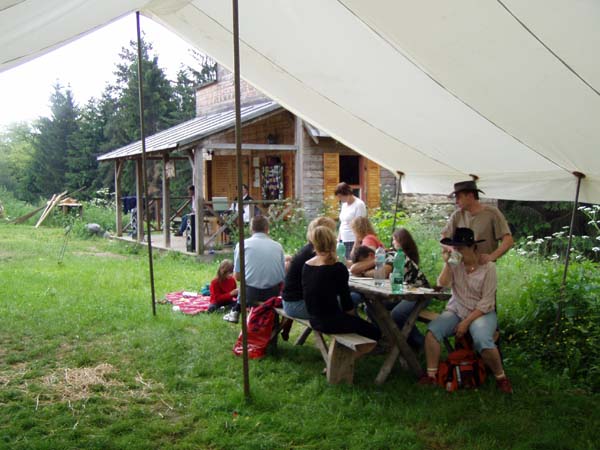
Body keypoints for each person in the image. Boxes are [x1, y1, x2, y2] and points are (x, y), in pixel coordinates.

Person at [420, 227, 513, 394]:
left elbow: (487, 301)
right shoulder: (455, 264)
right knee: (432, 332)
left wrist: (466, 322)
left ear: (472, 247)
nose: (457, 252)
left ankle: (501, 378)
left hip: (481, 312)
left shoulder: (488, 267)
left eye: (460, 248)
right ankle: (431, 375)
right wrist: (447, 264)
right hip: (457, 309)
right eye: (455, 248)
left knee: (483, 339)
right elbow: (443, 284)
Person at [302, 225, 381, 341]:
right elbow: (347, 303)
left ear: (314, 244)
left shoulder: (307, 265)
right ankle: (355, 355)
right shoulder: (337, 268)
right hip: (330, 322)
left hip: (314, 318)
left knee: (357, 324)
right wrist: (355, 321)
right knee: (375, 332)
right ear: (333, 242)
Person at [223, 216, 285, 323]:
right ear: (267, 229)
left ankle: (236, 310)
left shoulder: (242, 245)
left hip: (250, 294)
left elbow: (237, 276)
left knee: (245, 280)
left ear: (251, 229)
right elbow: (282, 275)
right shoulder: (278, 246)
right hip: (273, 294)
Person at [441, 180, 513, 264]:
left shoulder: (492, 214)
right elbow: (444, 237)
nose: (456, 201)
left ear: (470, 196)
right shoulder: (457, 215)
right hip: (459, 266)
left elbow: (508, 240)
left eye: (459, 197)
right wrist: (450, 248)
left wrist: (492, 256)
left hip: (483, 267)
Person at [281, 216, 337, 320]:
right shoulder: (316, 254)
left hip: (290, 301)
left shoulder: (309, 249)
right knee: (351, 299)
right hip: (297, 305)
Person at [389, 228, 431, 349]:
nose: (393, 243)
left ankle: (420, 343)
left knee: (397, 314)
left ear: (402, 241)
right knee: (370, 308)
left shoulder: (403, 257)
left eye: (395, 240)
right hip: (404, 292)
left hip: (421, 294)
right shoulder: (397, 255)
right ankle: (388, 337)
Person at [335, 182, 367, 260]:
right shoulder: (344, 205)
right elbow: (343, 223)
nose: (339, 199)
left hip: (352, 240)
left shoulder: (359, 205)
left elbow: (360, 227)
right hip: (343, 240)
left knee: (350, 263)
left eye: (340, 196)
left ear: (347, 194)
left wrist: (356, 245)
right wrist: (338, 239)